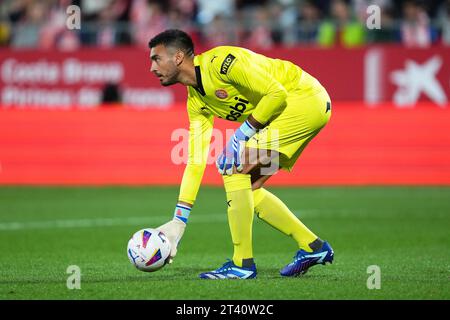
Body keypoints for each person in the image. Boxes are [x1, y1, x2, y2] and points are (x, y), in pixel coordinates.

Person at [151, 29, 334, 279]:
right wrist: (178, 220)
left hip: (302, 100)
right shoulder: (196, 101)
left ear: (179, 57)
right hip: (295, 111)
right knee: (249, 187)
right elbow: (195, 162)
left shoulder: (222, 64)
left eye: (157, 58)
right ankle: (313, 247)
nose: (152, 67)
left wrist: (240, 135)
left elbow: (276, 94)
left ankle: (242, 264)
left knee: (234, 167)